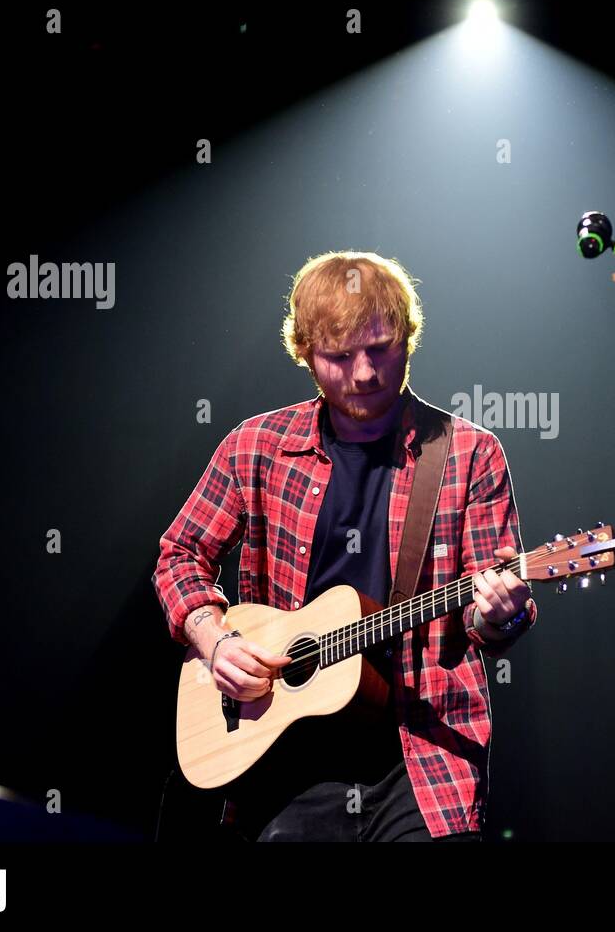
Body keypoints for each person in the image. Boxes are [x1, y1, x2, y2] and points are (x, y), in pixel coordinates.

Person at [151, 250, 537, 841]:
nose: (364, 373)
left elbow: (492, 617)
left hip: (422, 758)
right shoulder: (256, 446)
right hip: (281, 753)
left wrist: (496, 615)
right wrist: (215, 638)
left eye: (381, 348)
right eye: (339, 356)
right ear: (304, 352)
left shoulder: (468, 454)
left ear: (409, 337)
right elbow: (180, 554)